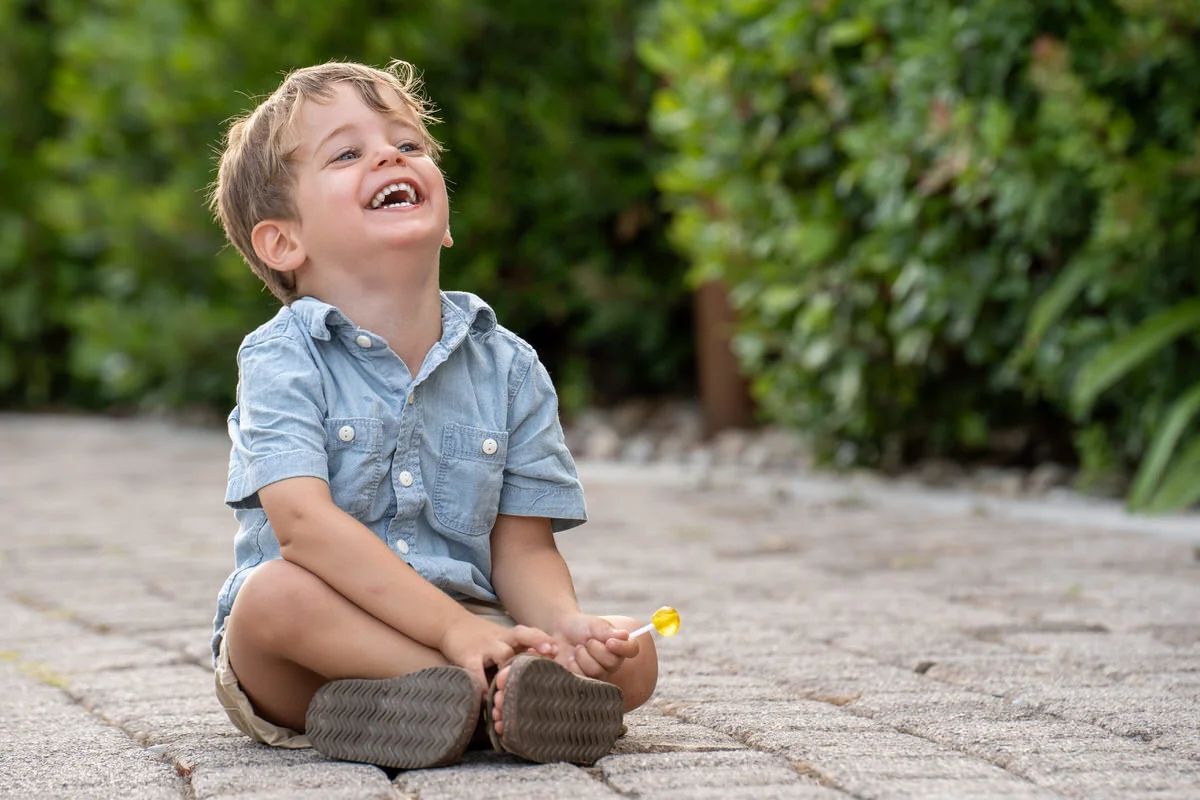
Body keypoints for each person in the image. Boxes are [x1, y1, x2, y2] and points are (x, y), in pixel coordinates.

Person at [206, 59, 657, 769]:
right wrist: (455, 637)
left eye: (408, 145)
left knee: (633, 652)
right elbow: (303, 528)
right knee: (269, 598)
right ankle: (480, 696)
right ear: (284, 242)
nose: (391, 154)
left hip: (474, 628)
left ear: (445, 220)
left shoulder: (509, 367)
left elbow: (524, 549)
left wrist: (563, 626)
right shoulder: (282, 358)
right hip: (318, 651)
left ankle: (468, 705)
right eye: (348, 153)